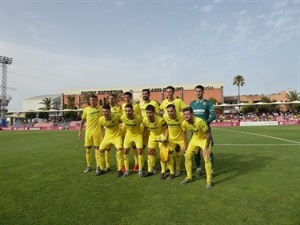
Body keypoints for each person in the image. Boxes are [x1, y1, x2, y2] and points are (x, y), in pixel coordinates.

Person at [180, 107, 213, 190]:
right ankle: (189, 177)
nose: (185, 116)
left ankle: (209, 181)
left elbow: (208, 134)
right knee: (187, 155)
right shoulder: (184, 123)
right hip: (195, 139)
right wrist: (185, 145)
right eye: (184, 114)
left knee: (206, 157)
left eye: (187, 114)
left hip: (204, 139)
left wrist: (205, 148)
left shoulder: (199, 121)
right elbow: (184, 133)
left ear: (192, 114)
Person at [190, 85, 216, 177]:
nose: (198, 93)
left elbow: (213, 115)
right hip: (195, 132)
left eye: (200, 91)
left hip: (206, 132)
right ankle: (199, 169)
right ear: (195, 92)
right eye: (196, 91)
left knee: (208, 152)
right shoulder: (192, 104)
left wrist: (206, 122)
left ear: (203, 92)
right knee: (196, 152)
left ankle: (211, 171)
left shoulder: (208, 103)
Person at [78, 94, 102, 174]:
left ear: (97, 101)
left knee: (97, 150)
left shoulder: (101, 109)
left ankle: (98, 167)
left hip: (97, 132)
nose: (92, 101)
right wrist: (80, 131)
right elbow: (82, 121)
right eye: (91, 100)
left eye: (94, 100)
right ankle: (88, 166)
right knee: (88, 149)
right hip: (88, 132)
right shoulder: (86, 110)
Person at [98, 105, 124, 177]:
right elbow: (100, 126)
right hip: (107, 137)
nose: (104, 113)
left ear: (110, 111)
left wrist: (122, 126)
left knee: (119, 151)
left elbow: (124, 120)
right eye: (103, 112)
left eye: (106, 111)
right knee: (100, 151)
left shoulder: (116, 116)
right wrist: (102, 136)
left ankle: (120, 170)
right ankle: (102, 169)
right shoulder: (101, 119)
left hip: (117, 136)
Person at [143, 104, 168, 179]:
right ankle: (150, 170)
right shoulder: (145, 120)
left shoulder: (160, 120)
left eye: (150, 113)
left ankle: (163, 172)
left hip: (161, 136)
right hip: (152, 136)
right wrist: (144, 137)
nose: (148, 114)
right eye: (147, 113)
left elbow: (167, 127)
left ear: (154, 112)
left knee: (162, 154)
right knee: (150, 152)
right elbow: (146, 128)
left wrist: (165, 137)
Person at [163, 104, 186, 179]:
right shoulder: (165, 116)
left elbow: (184, 129)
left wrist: (185, 142)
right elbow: (166, 127)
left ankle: (179, 169)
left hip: (181, 139)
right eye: (168, 111)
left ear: (175, 111)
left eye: (171, 111)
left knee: (187, 154)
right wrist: (166, 138)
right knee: (169, 154)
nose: (170, 113)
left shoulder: (182, 115)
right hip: (171, 139)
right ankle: (171, 173)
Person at [121, 104, 144, 177]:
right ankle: (127, 170)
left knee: (139, 151)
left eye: (129, 111)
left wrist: (143, 133)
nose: (127, 112)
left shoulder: (139, 118)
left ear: (133, 111)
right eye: (126, 111)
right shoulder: (123, 117)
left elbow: (144, 124)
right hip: (129, 135)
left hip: (138, 135)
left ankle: (140, 170)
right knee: (125, 151)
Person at [121, 91, 141, 172]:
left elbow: (139, 116)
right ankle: (123, 165)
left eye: (128, 97)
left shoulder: (136, 106)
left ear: (131, 98)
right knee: (124, 148)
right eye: (125, 97)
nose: (126, 99)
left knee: (134, 147)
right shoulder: (122, 106)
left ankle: (136, 164)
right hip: (125, 128)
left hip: (134, 128)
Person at [105, 93, 122, 171]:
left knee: (117, 150)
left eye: (112, 98)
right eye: (109, 98)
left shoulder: (119, 108)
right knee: (107, 149)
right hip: (107, 133)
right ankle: (107, 166)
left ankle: (119, 166)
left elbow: (121, 119)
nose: (111, 100)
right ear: (108, 99)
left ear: (115, 99)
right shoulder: (105, 108)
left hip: (116, 132)